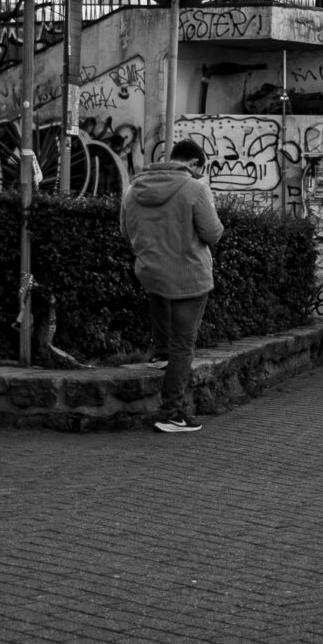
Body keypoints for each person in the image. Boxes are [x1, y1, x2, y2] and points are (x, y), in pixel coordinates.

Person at [119, 138, 223, 434]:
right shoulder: (195, 188)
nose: (200, 175)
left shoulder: (133, 188)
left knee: (160, 298)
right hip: (189, 274)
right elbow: (212, 233)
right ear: (193, 164)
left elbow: (125, 232)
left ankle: (160, 353)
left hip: (151, 270)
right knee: (184, 344)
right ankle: (171, 413)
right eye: (200, 170)